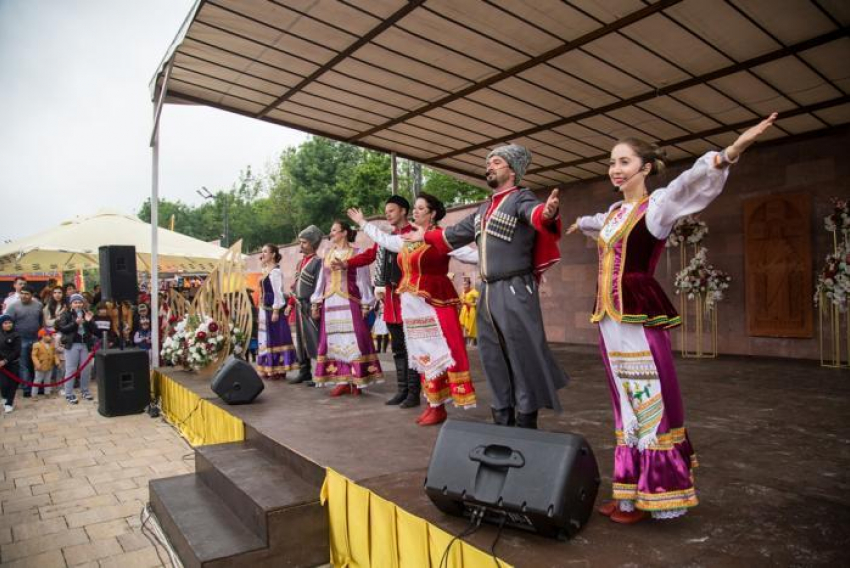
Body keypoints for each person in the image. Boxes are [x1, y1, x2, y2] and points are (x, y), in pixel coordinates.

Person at [567, 113, 778, 524]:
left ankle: (661, 491)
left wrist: (730, 152)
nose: (615, 169)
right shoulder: (611, 214)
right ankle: (628, 491)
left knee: (651, 398)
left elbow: (689, 185)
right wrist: (578, 222)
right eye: (612, 162)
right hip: (610, 319)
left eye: (624, 162)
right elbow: (596, 224)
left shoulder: (658, 207)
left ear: (645, 168)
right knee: (625, 403)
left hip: (639, 312)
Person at [404, 144, 565, 429]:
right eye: (488, 162)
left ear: (512, 170)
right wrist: (426, 234)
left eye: (497, 162)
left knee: (521, 355)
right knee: (492, 356)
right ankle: (502, 416)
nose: (489, 166)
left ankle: (526, 420)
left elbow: (537, 214)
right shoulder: (484, 208)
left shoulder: (521, 198)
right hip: (488, 291)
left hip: (515, 288)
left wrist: (548, 213)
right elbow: (453, 235)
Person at [346, 193, 479, 425]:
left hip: (434, 304)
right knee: (422, 355)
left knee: (439, 353)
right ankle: (433, 403)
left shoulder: (439, 237)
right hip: (413, 308)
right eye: (415, 208)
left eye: (420, 208)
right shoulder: (407, 238)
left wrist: (501, 255)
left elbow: (469, 255)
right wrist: (363, 223)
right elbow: (385, 241)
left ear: (432, 213)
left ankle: (438, 406)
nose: (415, 212)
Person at [342, 195, 422, 407]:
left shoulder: (413, 235)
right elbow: (369, 256)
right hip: (391, 300)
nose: (388, 214)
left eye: (392, 211)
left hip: (408, 299)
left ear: (404, 211)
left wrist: (362, 222)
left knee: (412, 347)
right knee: (397, 347)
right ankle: (402, 389)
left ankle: (414, 393)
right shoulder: (387, 237)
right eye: (386, 211)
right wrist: (346, 264)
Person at [310, 220, 382, 395]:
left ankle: (357, 380)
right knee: (335, 339)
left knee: (355, 339)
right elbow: (321, 280)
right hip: (330, 302)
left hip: (350, 301)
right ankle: (342, 379)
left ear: (344, 232)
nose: (331, 233)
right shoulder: (326, 253)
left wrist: (366, 303)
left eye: (334, 230)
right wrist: (316, 302)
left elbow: (363, 279)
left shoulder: (357, 252)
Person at [286, 226, 323, 385]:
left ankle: (319, 373)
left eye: (304, 242)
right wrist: (290, 303)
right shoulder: (300, 262)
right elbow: (295, 286)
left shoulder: (318, 262)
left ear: (313, 244)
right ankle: (304, 371)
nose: (301, 245)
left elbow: (320, 286)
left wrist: (316, 306)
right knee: (300, 341)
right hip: (299, 306)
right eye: (300, 242)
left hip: (310, 306)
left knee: (314, 339)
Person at [256, 244, 298, 379]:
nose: (262, 254)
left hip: (273, 309)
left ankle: (279, 368)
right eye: (262, 252)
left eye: (265, 252)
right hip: (265, 308)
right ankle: (269, 366)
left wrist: (275, 310)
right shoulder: (267, 270)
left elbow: (278, 292)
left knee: (276, 338)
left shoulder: (275, 271)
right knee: (266, 338)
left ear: (273, 254)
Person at [57, 294, 98, 404]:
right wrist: (75, 323)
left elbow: (95, 330)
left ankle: (85, 390)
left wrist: (89, 321)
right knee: (71, 369)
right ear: (71, 304)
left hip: (85, 344)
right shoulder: (66, 314)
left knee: (86, 369)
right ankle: (69, 393)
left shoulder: (86, 313)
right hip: (72, 344)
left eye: (79, 302)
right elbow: (62, 329)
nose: (78, 304)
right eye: (75, 302)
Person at [5, 286, 43, 397]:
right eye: (22, 293)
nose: (24, 296)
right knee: (24, 365)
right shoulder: (13, 307)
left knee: (36, 363)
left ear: (32, 295)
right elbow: (7, 324)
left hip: (36, 339)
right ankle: (27, 389)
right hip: (20, 340)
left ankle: (38, 386)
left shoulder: (38, 305)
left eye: (27, 294)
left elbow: (41, 321)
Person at [0, 314, 22, 413]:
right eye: (5, 323)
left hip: (12, 363)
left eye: (10, 323)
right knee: (3, 384)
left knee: (12, 385)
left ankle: (9, 403)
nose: (8, 325)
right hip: (1, 365)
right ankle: (4, 397)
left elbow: (16, 351)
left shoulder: (16, 335)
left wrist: (5, 361)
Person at [31, 328, 57, 398]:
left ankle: (47, 393)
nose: (51, 337)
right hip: (40, 366)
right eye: (49, 335)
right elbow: (34, 355)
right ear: (43, 336)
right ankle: (34, 395)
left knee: (47, 380)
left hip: (49, 366)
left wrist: (57, 361)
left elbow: (54, 354)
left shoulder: (51, 345)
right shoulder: (36, 345)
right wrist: (37, 363)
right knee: (37, 380)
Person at [458, 276, 479, 346]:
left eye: (466, 284)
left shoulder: (473, 291)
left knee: (471, 327)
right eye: (463, 284)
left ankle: (472, 342)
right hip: (464, 311)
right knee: (464, 327)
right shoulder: (463, 292)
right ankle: (467, 342)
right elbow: (461, 300)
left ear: (469, 285)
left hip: (471, 310)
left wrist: (472, 304)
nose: (464, 286)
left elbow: (479, 299)